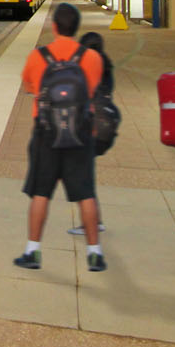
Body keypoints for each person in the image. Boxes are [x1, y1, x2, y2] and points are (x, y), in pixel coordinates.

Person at [14, 3, 107, 272]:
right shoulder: (92, 58)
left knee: (41, 194)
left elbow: (30, 87)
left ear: (54, 27)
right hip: (80, 134)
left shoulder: (37, 56)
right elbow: (92, 89)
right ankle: (95, 253)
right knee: (86, 194)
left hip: (46, 134)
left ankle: (33, 251)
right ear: (76, 28)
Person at [65, 30, 119, 235]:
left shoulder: (85, 68)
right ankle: (95, 220)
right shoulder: (106, 65)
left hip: (89, 126)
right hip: (107, 125)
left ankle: (92, 224)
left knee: (82, 176)